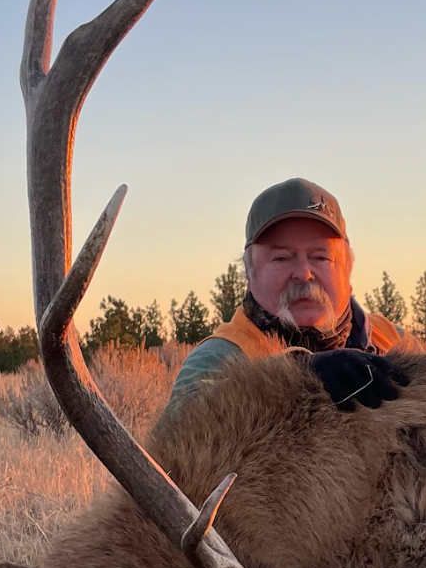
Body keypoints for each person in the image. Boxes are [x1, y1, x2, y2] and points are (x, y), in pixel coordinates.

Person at [165, 178, 406, 415]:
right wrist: (296, 377)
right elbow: (183, 440)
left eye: (321, 257)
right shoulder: (217, 361)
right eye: (281, 258)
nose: (303, 274)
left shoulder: (395, 342)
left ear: (347, 269)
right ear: (249, 272)